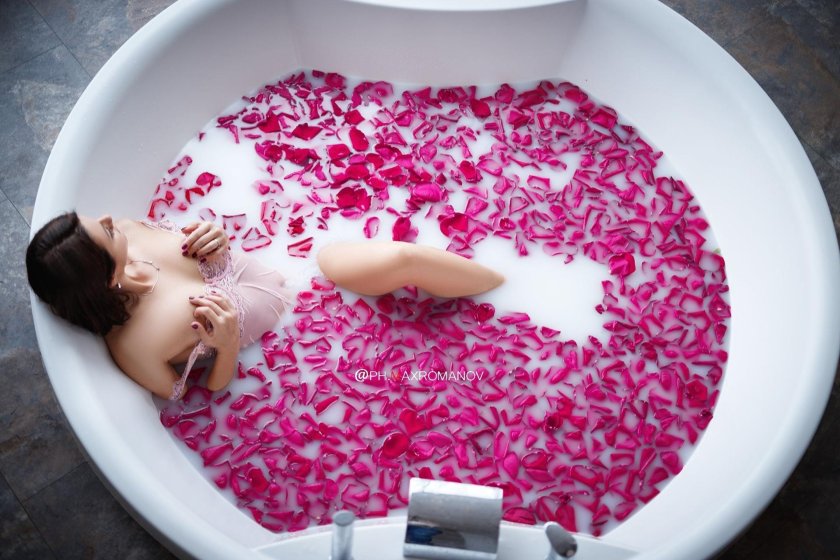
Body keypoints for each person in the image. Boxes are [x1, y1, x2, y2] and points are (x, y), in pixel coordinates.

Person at [26, 212, 504, 401]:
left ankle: (508, 287)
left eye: (93, 219)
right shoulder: (134, 344)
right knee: (405, 259)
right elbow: (204, 396)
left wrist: (217, 238)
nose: (110, 218)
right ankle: (510, 294)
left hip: (303, 272)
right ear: (108, 276)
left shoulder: (131, 231)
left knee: (407, 257)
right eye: (103, 231)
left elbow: (210, 247)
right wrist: (228, 343)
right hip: (305, 334)